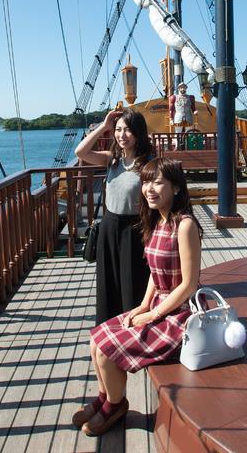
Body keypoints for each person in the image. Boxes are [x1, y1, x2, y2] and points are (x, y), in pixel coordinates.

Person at [73, 157, 202, 435]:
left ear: (177, 188)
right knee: (96, 340)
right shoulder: (157, 221)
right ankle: (105, 398)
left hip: (179, 313)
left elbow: (189, 284)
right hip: (157, 304)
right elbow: (156, 272)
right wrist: (142, 305)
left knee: (107, 352)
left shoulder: (185, 225)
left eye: (158, 183)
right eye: (146, 182)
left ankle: (115, 407)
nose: (149, 189)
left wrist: (153, 315)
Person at [75, 109, 154, 325]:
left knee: (132, 284)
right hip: (110, 226)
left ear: (138, 132)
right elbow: (80, 152)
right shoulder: (112, 160)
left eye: (127, 130)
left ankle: (132, 329)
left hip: (135, 229)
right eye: (118, 130)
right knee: (108, 283)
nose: (122, 135)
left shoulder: (148, 163)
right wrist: (104, 126)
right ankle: (109, 327)